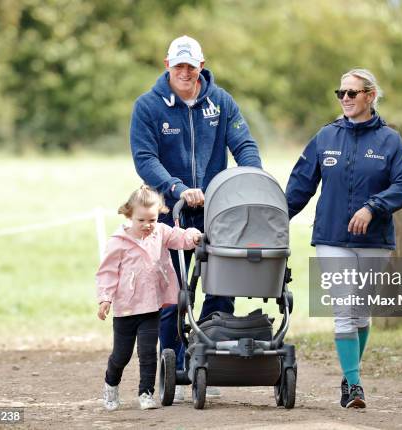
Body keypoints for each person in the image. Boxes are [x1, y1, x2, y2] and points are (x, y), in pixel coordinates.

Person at [129, 35, 262, 399]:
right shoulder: (148, 107)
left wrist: (253, 179)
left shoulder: (221, 103)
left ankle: (208, 360)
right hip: (170, 213)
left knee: (221, 287)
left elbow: (244, 145)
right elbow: (145, 158)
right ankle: (173, 366)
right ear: (167, 65)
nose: (185, 72)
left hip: (218, 213)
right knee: (174, 293)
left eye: (191, 66)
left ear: (201, 65)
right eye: (179, 66)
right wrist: (175, 188)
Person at [285, 68, 402, 408]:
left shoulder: (390, 141)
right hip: (331, 238)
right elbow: (300, 186)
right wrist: (274, 218)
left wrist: (373, 207)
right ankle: (355, 387)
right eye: (340, 93)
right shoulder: (325, 137)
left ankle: (349, 374)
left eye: (352, 93)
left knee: (361, 311)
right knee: (343, 309)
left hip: (375, 241)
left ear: (370, 96)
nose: (344, 98)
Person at [96, 185, 201, 411]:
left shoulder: (160, 232)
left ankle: (146, 393)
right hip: (125, 309)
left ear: (159, 214)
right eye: (141, 220)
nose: (147, 225)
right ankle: (111, 385)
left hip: (151, 306)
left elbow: (179, 237)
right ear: (129, 215)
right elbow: (107, 271)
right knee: (121, 356)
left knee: (148, 353)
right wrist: (105, 298)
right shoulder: (119, 241)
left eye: (151, 219)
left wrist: (193, 235)